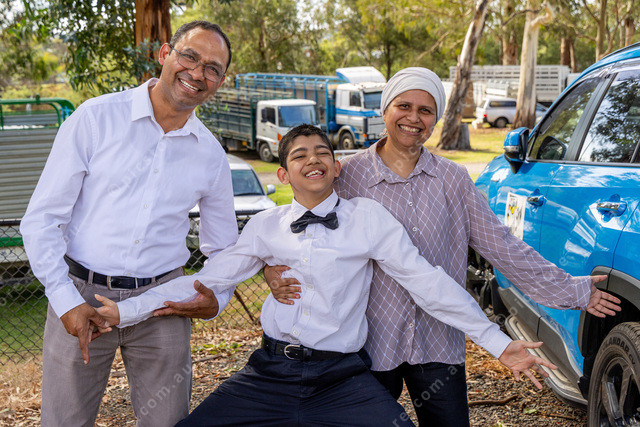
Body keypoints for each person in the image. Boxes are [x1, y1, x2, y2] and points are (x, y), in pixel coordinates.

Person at [95, 124, 558, 426]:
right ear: (283, 174)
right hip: (270, 372)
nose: (312, 159)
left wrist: (498, 343)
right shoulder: (265, 227)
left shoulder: (368, 218)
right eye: (299, 155)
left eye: (322, 152)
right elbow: (208, 280)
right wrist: (125, 310)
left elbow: (428, 283)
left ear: (337, 167)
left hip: (341, 377)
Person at [264, 68, 622, 426]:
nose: (413, 118)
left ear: (436, 119)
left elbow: (502, 246)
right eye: (404, 106)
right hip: (367, 340)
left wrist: (569, 289)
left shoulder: (453, 179)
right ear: (385, 110)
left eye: (426, 110)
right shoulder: (347, 175)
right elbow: (300, 227)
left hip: (438, 338)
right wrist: (269, 269)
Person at [20, 20, 238, 427]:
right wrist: (65, 300)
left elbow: (224, 249)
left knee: (167, 422)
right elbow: (42, 220)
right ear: (165, 54)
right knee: (64, 421)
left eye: (212, 68)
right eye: (190, 57)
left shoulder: (210, 154)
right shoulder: (95, 118)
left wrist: (217, 298)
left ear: (220, 82)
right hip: (81, 294)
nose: (197, 73)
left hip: (163, 304)